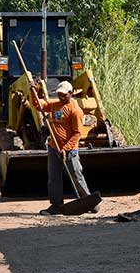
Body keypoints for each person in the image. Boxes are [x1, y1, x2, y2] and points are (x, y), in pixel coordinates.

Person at [31, 81, 94, 215]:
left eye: (64, 95)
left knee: (76, 175)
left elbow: (77, 134)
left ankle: (89, 202)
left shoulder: (76, 111)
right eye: (59, 95)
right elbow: (38, 105)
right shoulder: (55, 105)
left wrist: (65, 149)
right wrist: (33, 91)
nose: (61, 97)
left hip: (70, 151)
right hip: (54, 148)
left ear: (70, 94)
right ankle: (56, 205)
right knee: (54, 178)